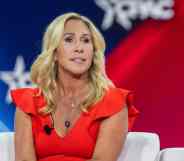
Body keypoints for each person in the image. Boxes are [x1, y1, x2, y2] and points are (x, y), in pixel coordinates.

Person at [10, 12, 139, 161]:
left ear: (93, 51)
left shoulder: (113, 103)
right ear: (55, 52)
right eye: (69, 40)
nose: (79, 48)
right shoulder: (29, 103)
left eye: (86, 40)